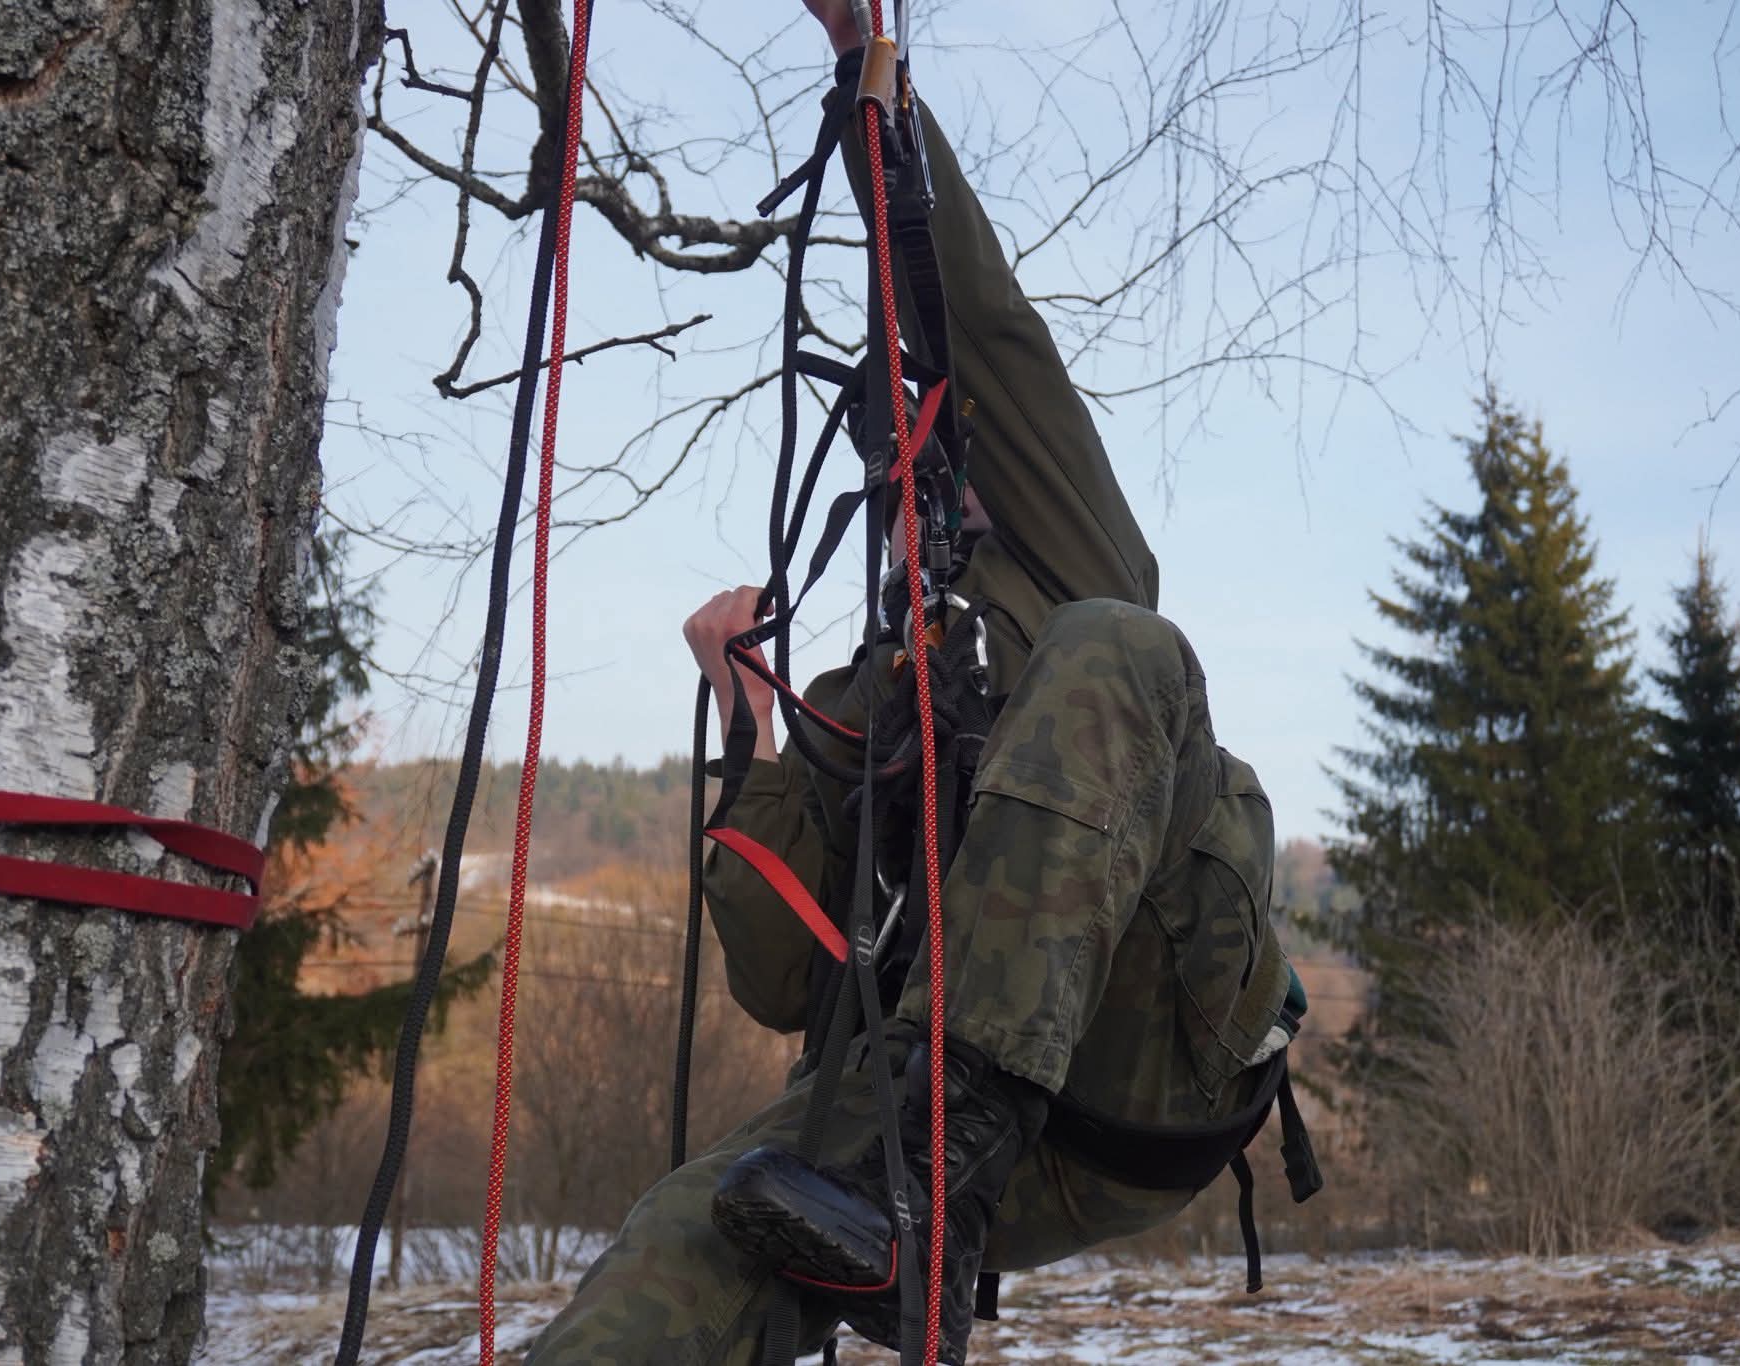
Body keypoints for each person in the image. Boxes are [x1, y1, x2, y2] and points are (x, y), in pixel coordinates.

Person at [523, 5, 1301, 1362]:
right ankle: (920, 1186)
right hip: (962, 1141)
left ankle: (938, 1165)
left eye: (947, 464)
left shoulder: (1074, 567)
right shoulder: (867, 702)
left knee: (1119, 643)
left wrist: (869, 80)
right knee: (685, 1230)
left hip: (1155, 1037)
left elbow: (984, 327)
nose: (926, 500)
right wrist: (750, 732)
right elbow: (780, 981)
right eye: (902, 484)